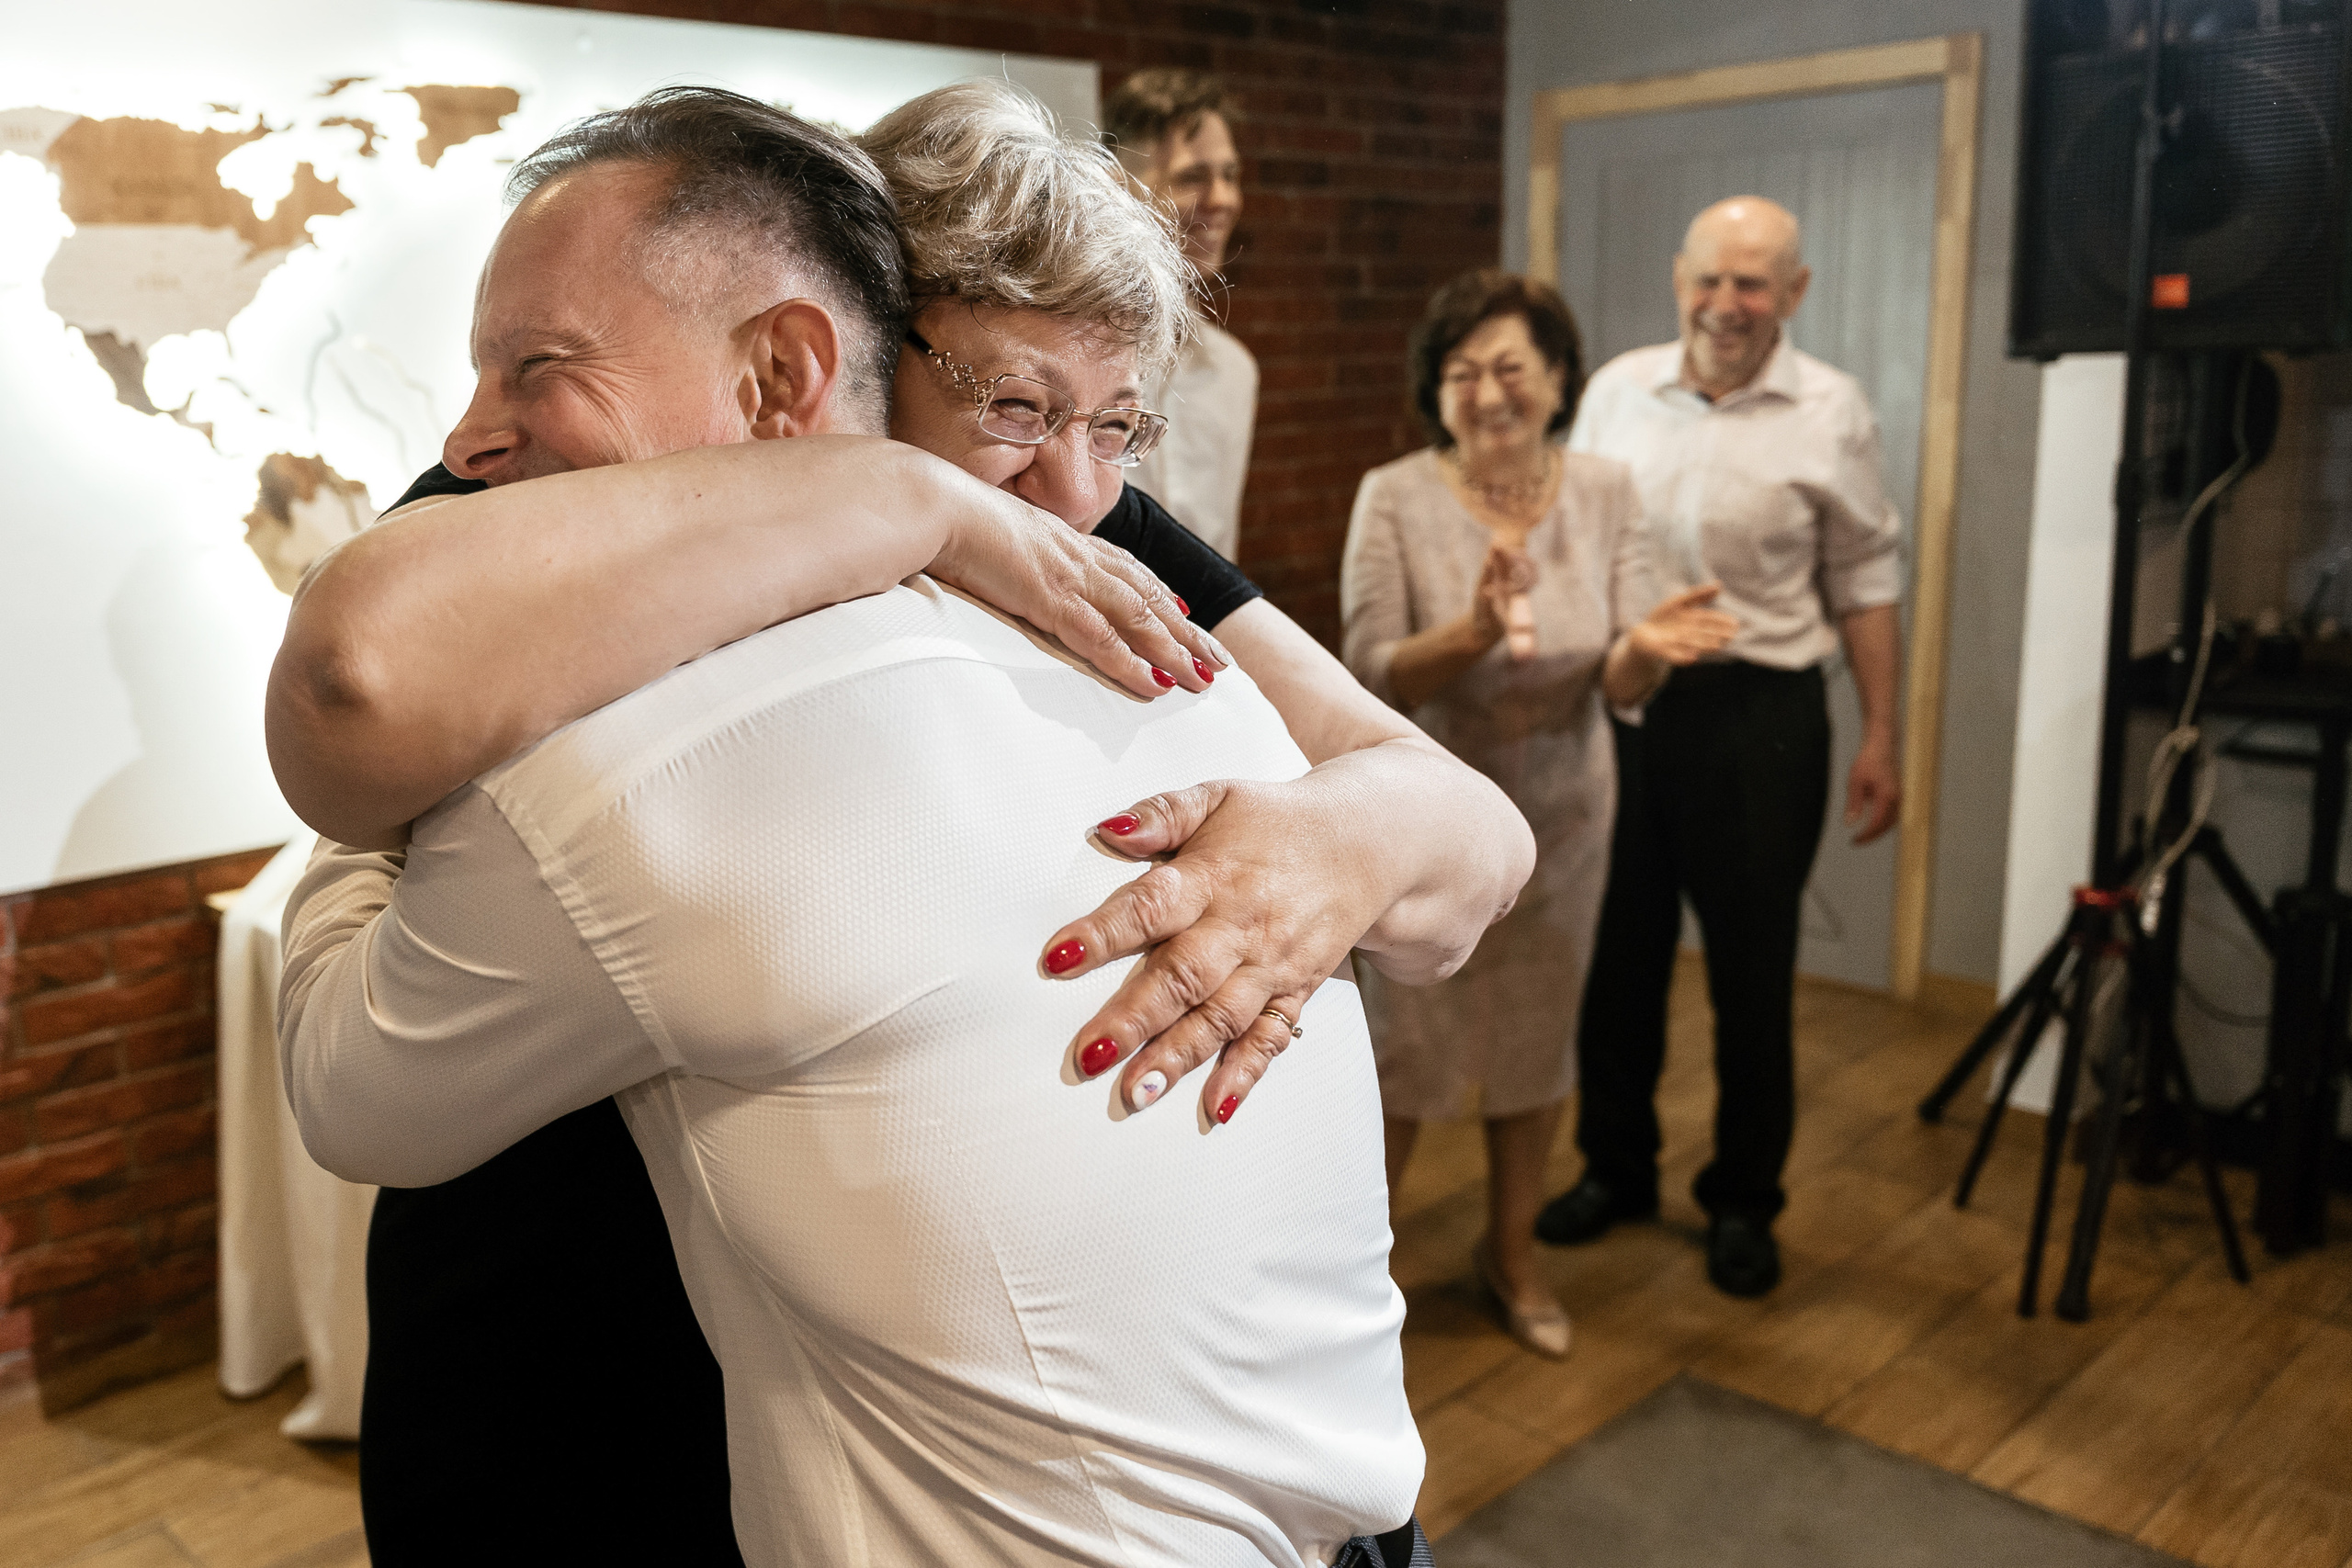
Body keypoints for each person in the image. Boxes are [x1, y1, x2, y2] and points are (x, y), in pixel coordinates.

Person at [273, 83, 1528, 1564]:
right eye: (1009, 405)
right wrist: (910, 507)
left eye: (1119, 423)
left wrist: (1330, 844)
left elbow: (1469, 837)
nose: (1074, 491)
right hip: (566, 1310)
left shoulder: (1074, 514)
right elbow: (356, 685)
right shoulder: (571, 459)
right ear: (838, 356)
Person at [1339, 270, 1736, 1358]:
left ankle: (1510, 1256)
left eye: (1511, 366)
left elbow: (1622, 672)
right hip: (1424, 811)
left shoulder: (1607, 491)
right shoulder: (1395, 495)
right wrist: (1468, 631)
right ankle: (1347, 1286)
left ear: (1559, 379)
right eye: (1462, 372)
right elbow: (1370, 671)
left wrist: (1645, 655)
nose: (1488, 391)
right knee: (1402, 1049)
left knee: (1536, 1041)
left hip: (1566, 813)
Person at [1536, 196, 1904, 1299]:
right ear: (1676, 278)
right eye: (1709, 279)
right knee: (1619, 962)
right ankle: (1616, 1169)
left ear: (1792, 294)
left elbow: (1867, 581)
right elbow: (1571, 541)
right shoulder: (1612, 392)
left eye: (1753, 284)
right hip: (1628, 703)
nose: (1726, 305)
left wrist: (1883, 732)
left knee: (1751, 978)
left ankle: (1744, 1201)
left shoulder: (1832, 410)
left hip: (1762, 720)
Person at [1103, 68, 1257, 562]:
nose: (1223, 200)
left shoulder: (1235, 371)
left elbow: (1219, 557)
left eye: (1230, 175)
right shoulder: (1066, 358)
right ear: (1117, 184)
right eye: (1193, 177)